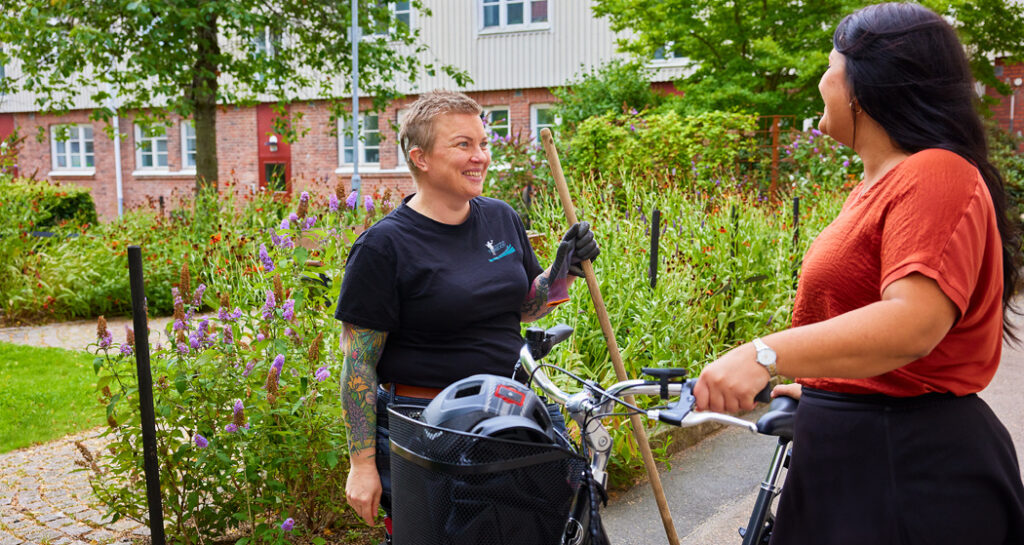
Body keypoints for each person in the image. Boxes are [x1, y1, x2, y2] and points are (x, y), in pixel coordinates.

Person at [694, 3, 1024, 544]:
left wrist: (761, 354)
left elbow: (912, 323)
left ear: (866, 83)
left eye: (830, 65)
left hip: (908, 472)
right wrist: (822, 389)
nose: (820, 80)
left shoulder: (936, 171)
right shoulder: (875, 188)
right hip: (862, 461)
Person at [334, 90, 599, 541]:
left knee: (553, 525)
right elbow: (358, 363)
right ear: (419, 157)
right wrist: (361, 465)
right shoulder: (383, 247)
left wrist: (561, 272)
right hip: (427, 422)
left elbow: (525, 306)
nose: (481, 157)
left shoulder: (500, 217)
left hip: (511, 409)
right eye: (464, 145)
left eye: (484, 143)